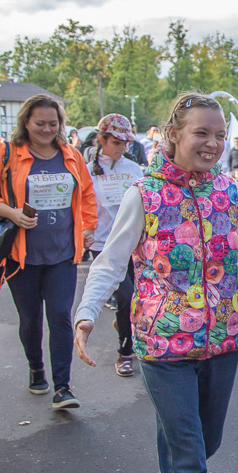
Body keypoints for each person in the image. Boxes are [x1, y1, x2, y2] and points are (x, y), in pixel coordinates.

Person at [73, 93, 238, 473]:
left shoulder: (228, 189)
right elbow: (111, 260)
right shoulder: (144, 193)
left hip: (223, 338)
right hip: (163, 345)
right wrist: (85, 315)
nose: (212, 143)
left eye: (219, 135)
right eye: (201, 133)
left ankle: (170, 472)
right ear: (173, 137)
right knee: (191, 462)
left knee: (207, 440)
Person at [0, 94, 97, 409]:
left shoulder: (70, 154)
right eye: (39, 123)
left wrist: (89, 226)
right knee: (29, 320)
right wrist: (12, 213)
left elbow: (86, 192)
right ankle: (36, 367)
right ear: (25, 122)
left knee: (60, 316)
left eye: (52, 123)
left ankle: (63, 388)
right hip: (21, 256)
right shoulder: (6, 153)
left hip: (63, 255)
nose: (46, 129)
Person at [85, 113, 147, 378]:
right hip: (103, 243)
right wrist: (85, 230)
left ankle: (126, 331)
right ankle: (125, 352)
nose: (122, 149)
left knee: (135, 298)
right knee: (125, 296)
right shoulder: (87, 170)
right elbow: (82, 203)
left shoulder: (133, 169)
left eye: (125, 144)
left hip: (133, 243)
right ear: (102, 140)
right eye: (116, 143)